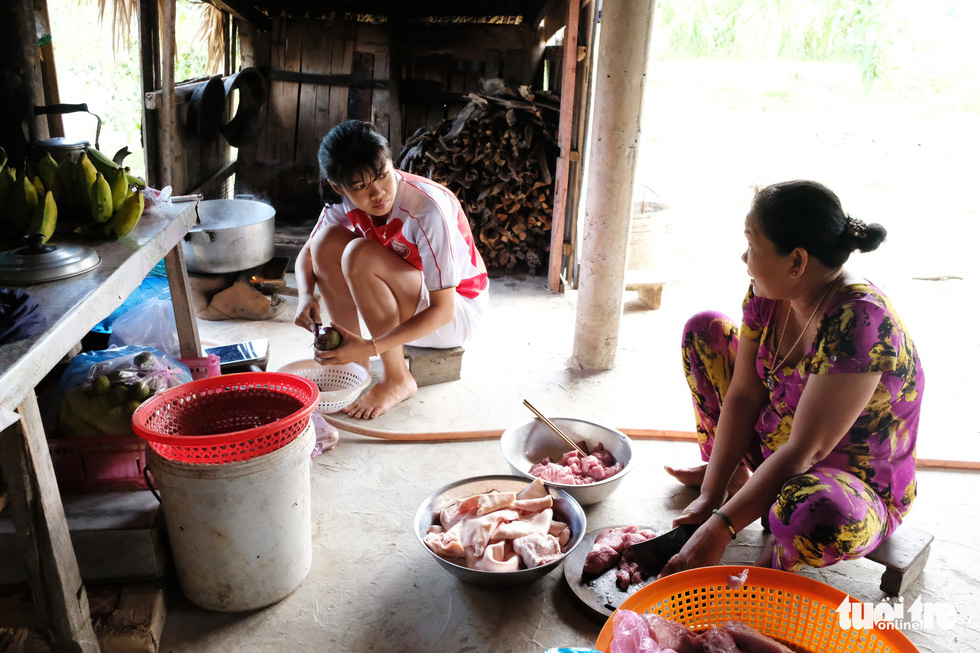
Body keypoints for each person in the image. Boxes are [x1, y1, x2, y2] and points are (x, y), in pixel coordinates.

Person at [659, 180, 923, 576]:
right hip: (780, 440)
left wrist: (720, 530)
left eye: (753, 245)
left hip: (847, 485)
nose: (744, 257)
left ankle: (784, 542)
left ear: (797, 262)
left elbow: (806, 452)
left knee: (812, 513)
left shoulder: (859, 321)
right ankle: (735, 483)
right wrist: (711, 498)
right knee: (705, 331)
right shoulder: (768, 294)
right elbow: (745, 396)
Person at [294, 120, 489, 419]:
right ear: (338, 186)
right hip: (413, 297)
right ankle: (352, 365)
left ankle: (397, 378)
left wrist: (372, 347)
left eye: (383, 175)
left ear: (390, 161)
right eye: (360, 187)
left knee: (359, 255)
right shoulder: (343, 201)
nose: (379, 194)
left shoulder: (426, 208)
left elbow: (444, 310)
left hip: (456, 314)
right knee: (326, 243)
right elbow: (308, 253)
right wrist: (306, 296)